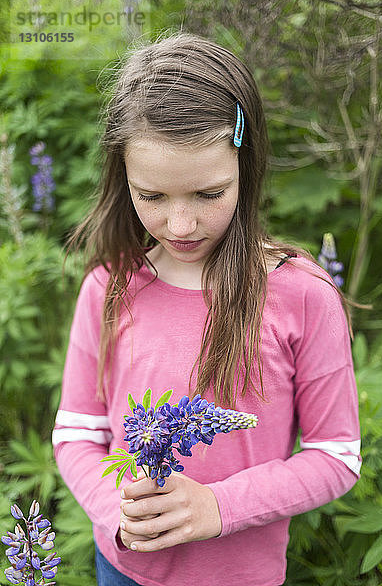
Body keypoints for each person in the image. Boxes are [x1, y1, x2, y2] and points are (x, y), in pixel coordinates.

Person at [52, 31, 362, 586]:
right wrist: (116, 509)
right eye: (152, 197)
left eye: (208, 194)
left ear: (247, 166)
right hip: (122, 565)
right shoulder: (108, 285)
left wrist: (217, 507)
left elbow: (336, 456)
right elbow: (77, 430)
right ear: (124, 180)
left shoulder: (302, 295)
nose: (180, 225)